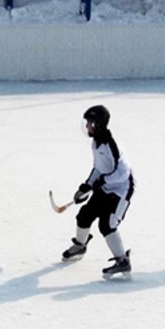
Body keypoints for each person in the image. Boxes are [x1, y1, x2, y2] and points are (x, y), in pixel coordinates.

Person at [63, 105, 135, 279]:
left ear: (98, 124)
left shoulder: (112, 144)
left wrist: (103, 181)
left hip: (121, 190)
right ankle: (80, 245)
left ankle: (122, 261)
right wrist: (86, 185)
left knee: (107, 224)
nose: (87, 127)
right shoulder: (96, 142)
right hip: (105, 187)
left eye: (89, 123)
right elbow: (98, 167)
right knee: (84, 215)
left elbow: (122, 172)